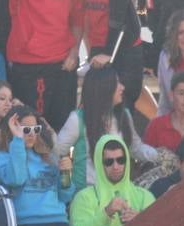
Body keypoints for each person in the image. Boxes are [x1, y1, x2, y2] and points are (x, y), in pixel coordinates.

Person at [0, 0, 83, 130]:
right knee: (31, 129)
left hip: (64, 67)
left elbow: (77, 19)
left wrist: (74, 51)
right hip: (30, 68)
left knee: (61, 129)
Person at [56, 64, 156, 192]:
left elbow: (135, 148)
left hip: (120, 191)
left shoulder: (124, 115)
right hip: (87, 193)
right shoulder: (77, 119)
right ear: (103, 88)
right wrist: (66, 181)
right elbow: (58, 152)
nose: (122, 87)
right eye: (117, 83)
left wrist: (161, 156)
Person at [0, 103, 76, 226]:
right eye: (26, 130)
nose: (31, 134)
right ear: (12, 130)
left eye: (35, 129)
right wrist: (18, 141)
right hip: (28, 223)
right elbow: (16, 179)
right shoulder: (3, 158)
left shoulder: (48, 157)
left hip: (59, 220)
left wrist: (66, 174)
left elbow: (65, 196)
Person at [74, 0, 144, 108]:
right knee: (96, 113)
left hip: (123, 49)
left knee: (121, 110)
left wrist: (108, 53)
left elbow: (119, 16)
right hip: (99, 51)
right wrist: (91, 54)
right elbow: (84, 16)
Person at [70, 134, 154, 226]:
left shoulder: (145, 197)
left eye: (120, 160)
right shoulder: (83, 198)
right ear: (99, 163)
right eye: (109, 162)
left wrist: (140, 221)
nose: (115, 167)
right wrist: (106, 213)